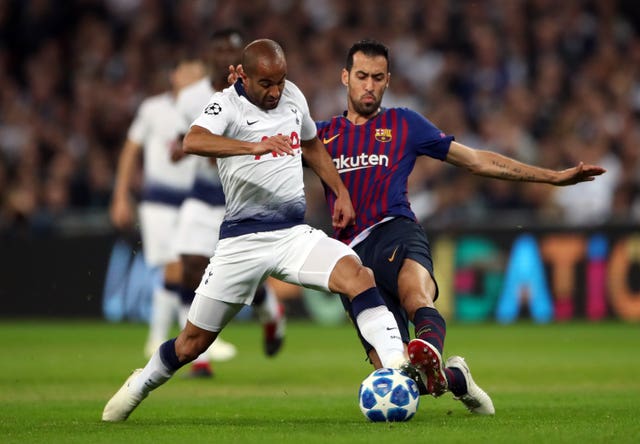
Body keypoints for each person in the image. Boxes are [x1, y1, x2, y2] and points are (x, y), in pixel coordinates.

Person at [102, 39, 408, 422]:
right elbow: (193, 140)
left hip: (292, 234)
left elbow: (312, 146)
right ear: (243, 76)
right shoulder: (225, 103)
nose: (275, 91)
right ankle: (140, 384)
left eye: (280, 80)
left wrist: (340, 190)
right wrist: (252, 147)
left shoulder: (292, 96)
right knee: (191, 343)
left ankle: (397, 365)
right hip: (241, 243)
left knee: (358, 276)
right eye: (266, 83)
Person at [315, 39, 606, 415]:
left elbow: (474, 160)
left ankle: (430, 346)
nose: (369, 85)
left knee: (415, 295)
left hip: (396, 230)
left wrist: (552, 177)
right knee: (400, 377)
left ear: (388, 81)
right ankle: (456, 379)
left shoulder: (404, 123)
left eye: (377, 77)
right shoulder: (320, 136)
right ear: (345, 77)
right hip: (350, 259)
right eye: (361, 76)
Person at [172, 29, 285, 371]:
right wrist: (178, 149)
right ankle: (201, 356)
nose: (224, 55)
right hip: (203, 196)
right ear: (210, 54)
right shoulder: (190, 97)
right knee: (190, 265)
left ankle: (270, 312)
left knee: (246, 277)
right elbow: (187, 138)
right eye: (219, 49)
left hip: (244, 198)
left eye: (231, 50)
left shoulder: (256, 93)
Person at [109, 57, 204, 362]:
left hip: (194, 201)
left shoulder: (207, 111)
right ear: (174, 75)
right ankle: (195, 347)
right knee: (176, 265)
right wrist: (120, 195)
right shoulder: (153, 109)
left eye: (199, 75)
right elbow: (130, 149)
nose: (193, 78)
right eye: (189, 71)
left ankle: (159, 339)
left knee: (186, 268)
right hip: (159, 201)